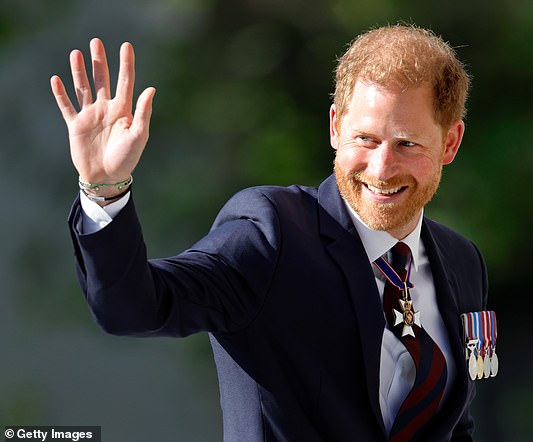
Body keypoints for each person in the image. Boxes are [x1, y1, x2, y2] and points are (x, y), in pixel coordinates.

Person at [51, 24, 490, 441]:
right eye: (366, 139)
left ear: (450, 143)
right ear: (335, 126)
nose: (381, 168)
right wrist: (105, 189)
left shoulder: (461, 260)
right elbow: (133, 309)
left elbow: (453, 427)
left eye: (406, 144)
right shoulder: (273, 233)